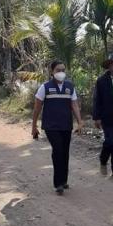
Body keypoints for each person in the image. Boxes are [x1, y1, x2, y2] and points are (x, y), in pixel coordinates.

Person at [32, 61, 83, 195]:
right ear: (52, 72)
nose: (61, 72)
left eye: (63, 70)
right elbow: (37, 107)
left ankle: (64, 180)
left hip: (66, 125)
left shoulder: (70, 87)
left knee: (65, 152)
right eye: (58, 70)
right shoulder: (45, 87)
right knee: (58, 150)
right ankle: (58, 183)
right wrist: (34, 126)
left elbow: (74, 105)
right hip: (51, 126)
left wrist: (80, 122)